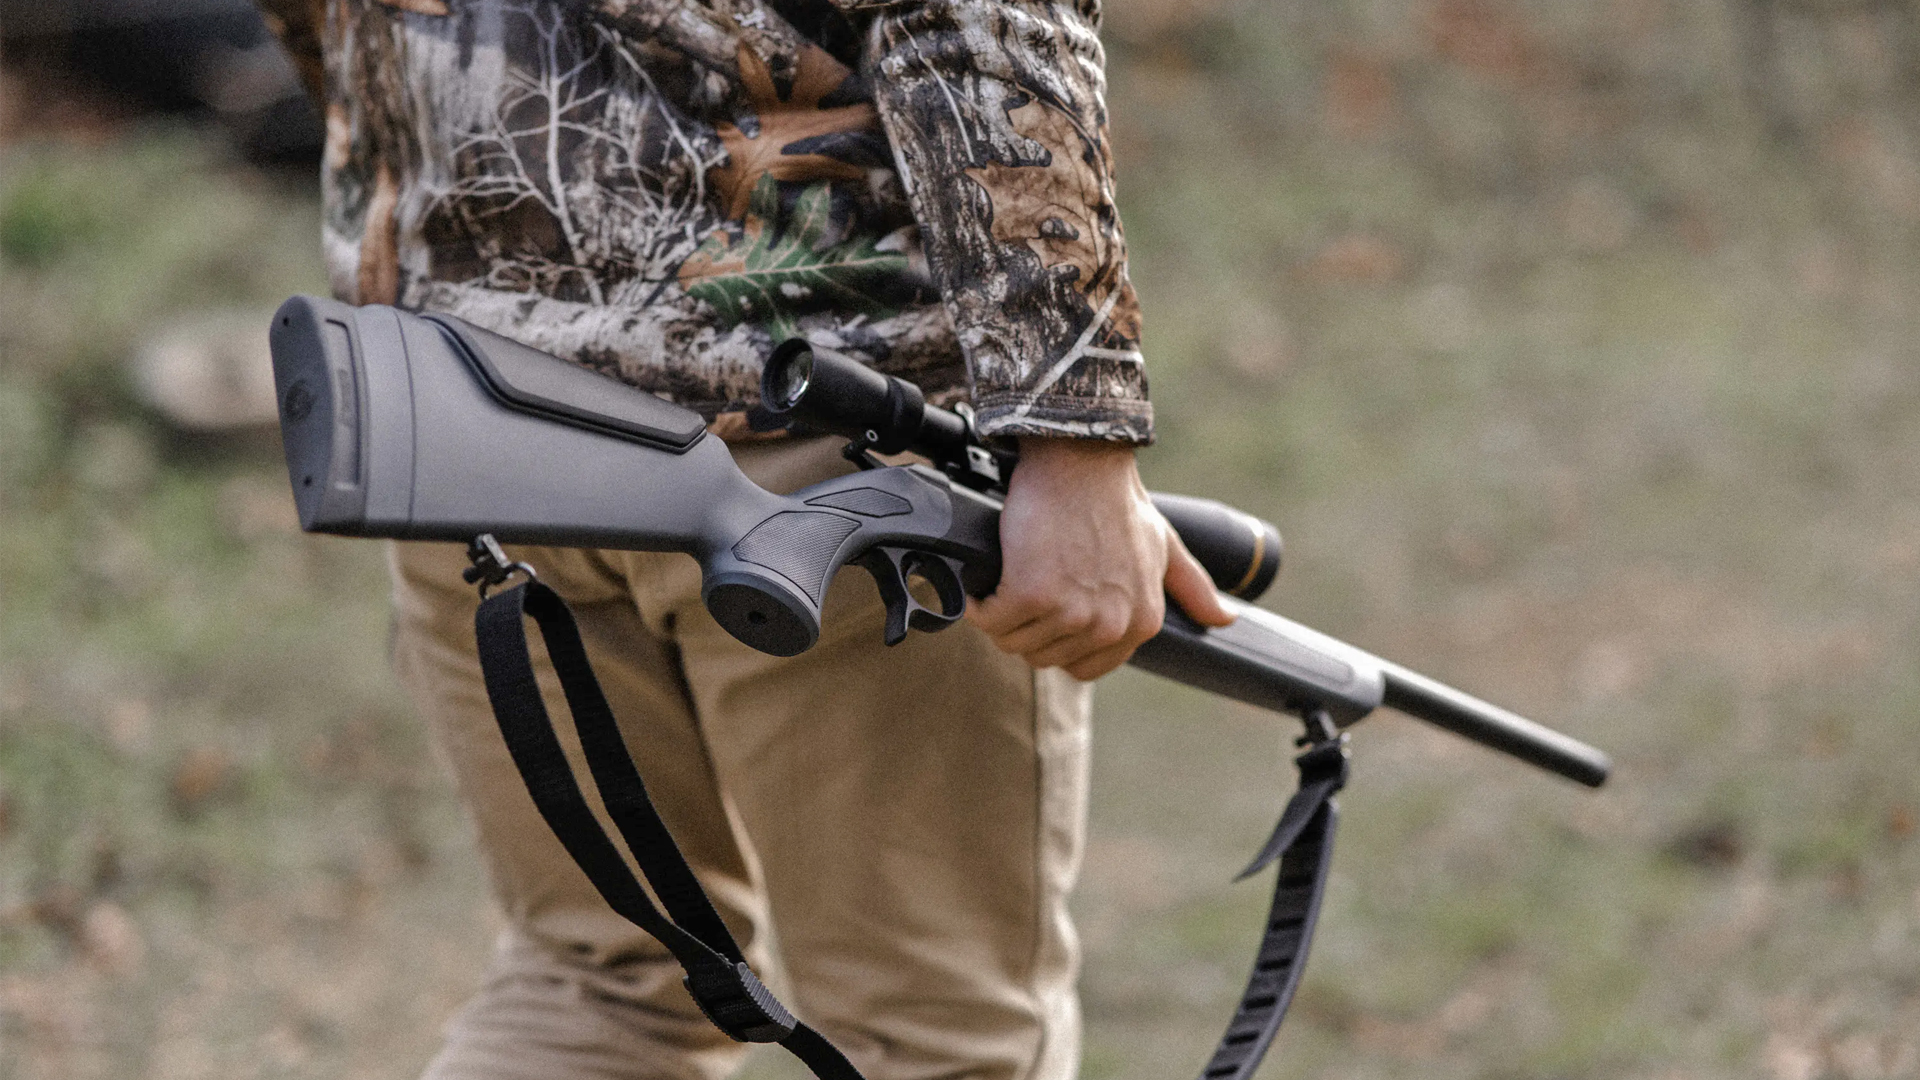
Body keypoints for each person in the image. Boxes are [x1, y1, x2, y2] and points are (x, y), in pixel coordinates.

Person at [258, 2, 1232, 1077]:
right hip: (822, 442)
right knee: (932, 1036)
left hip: (469, 428)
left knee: (597, 990)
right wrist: (1073, 427)